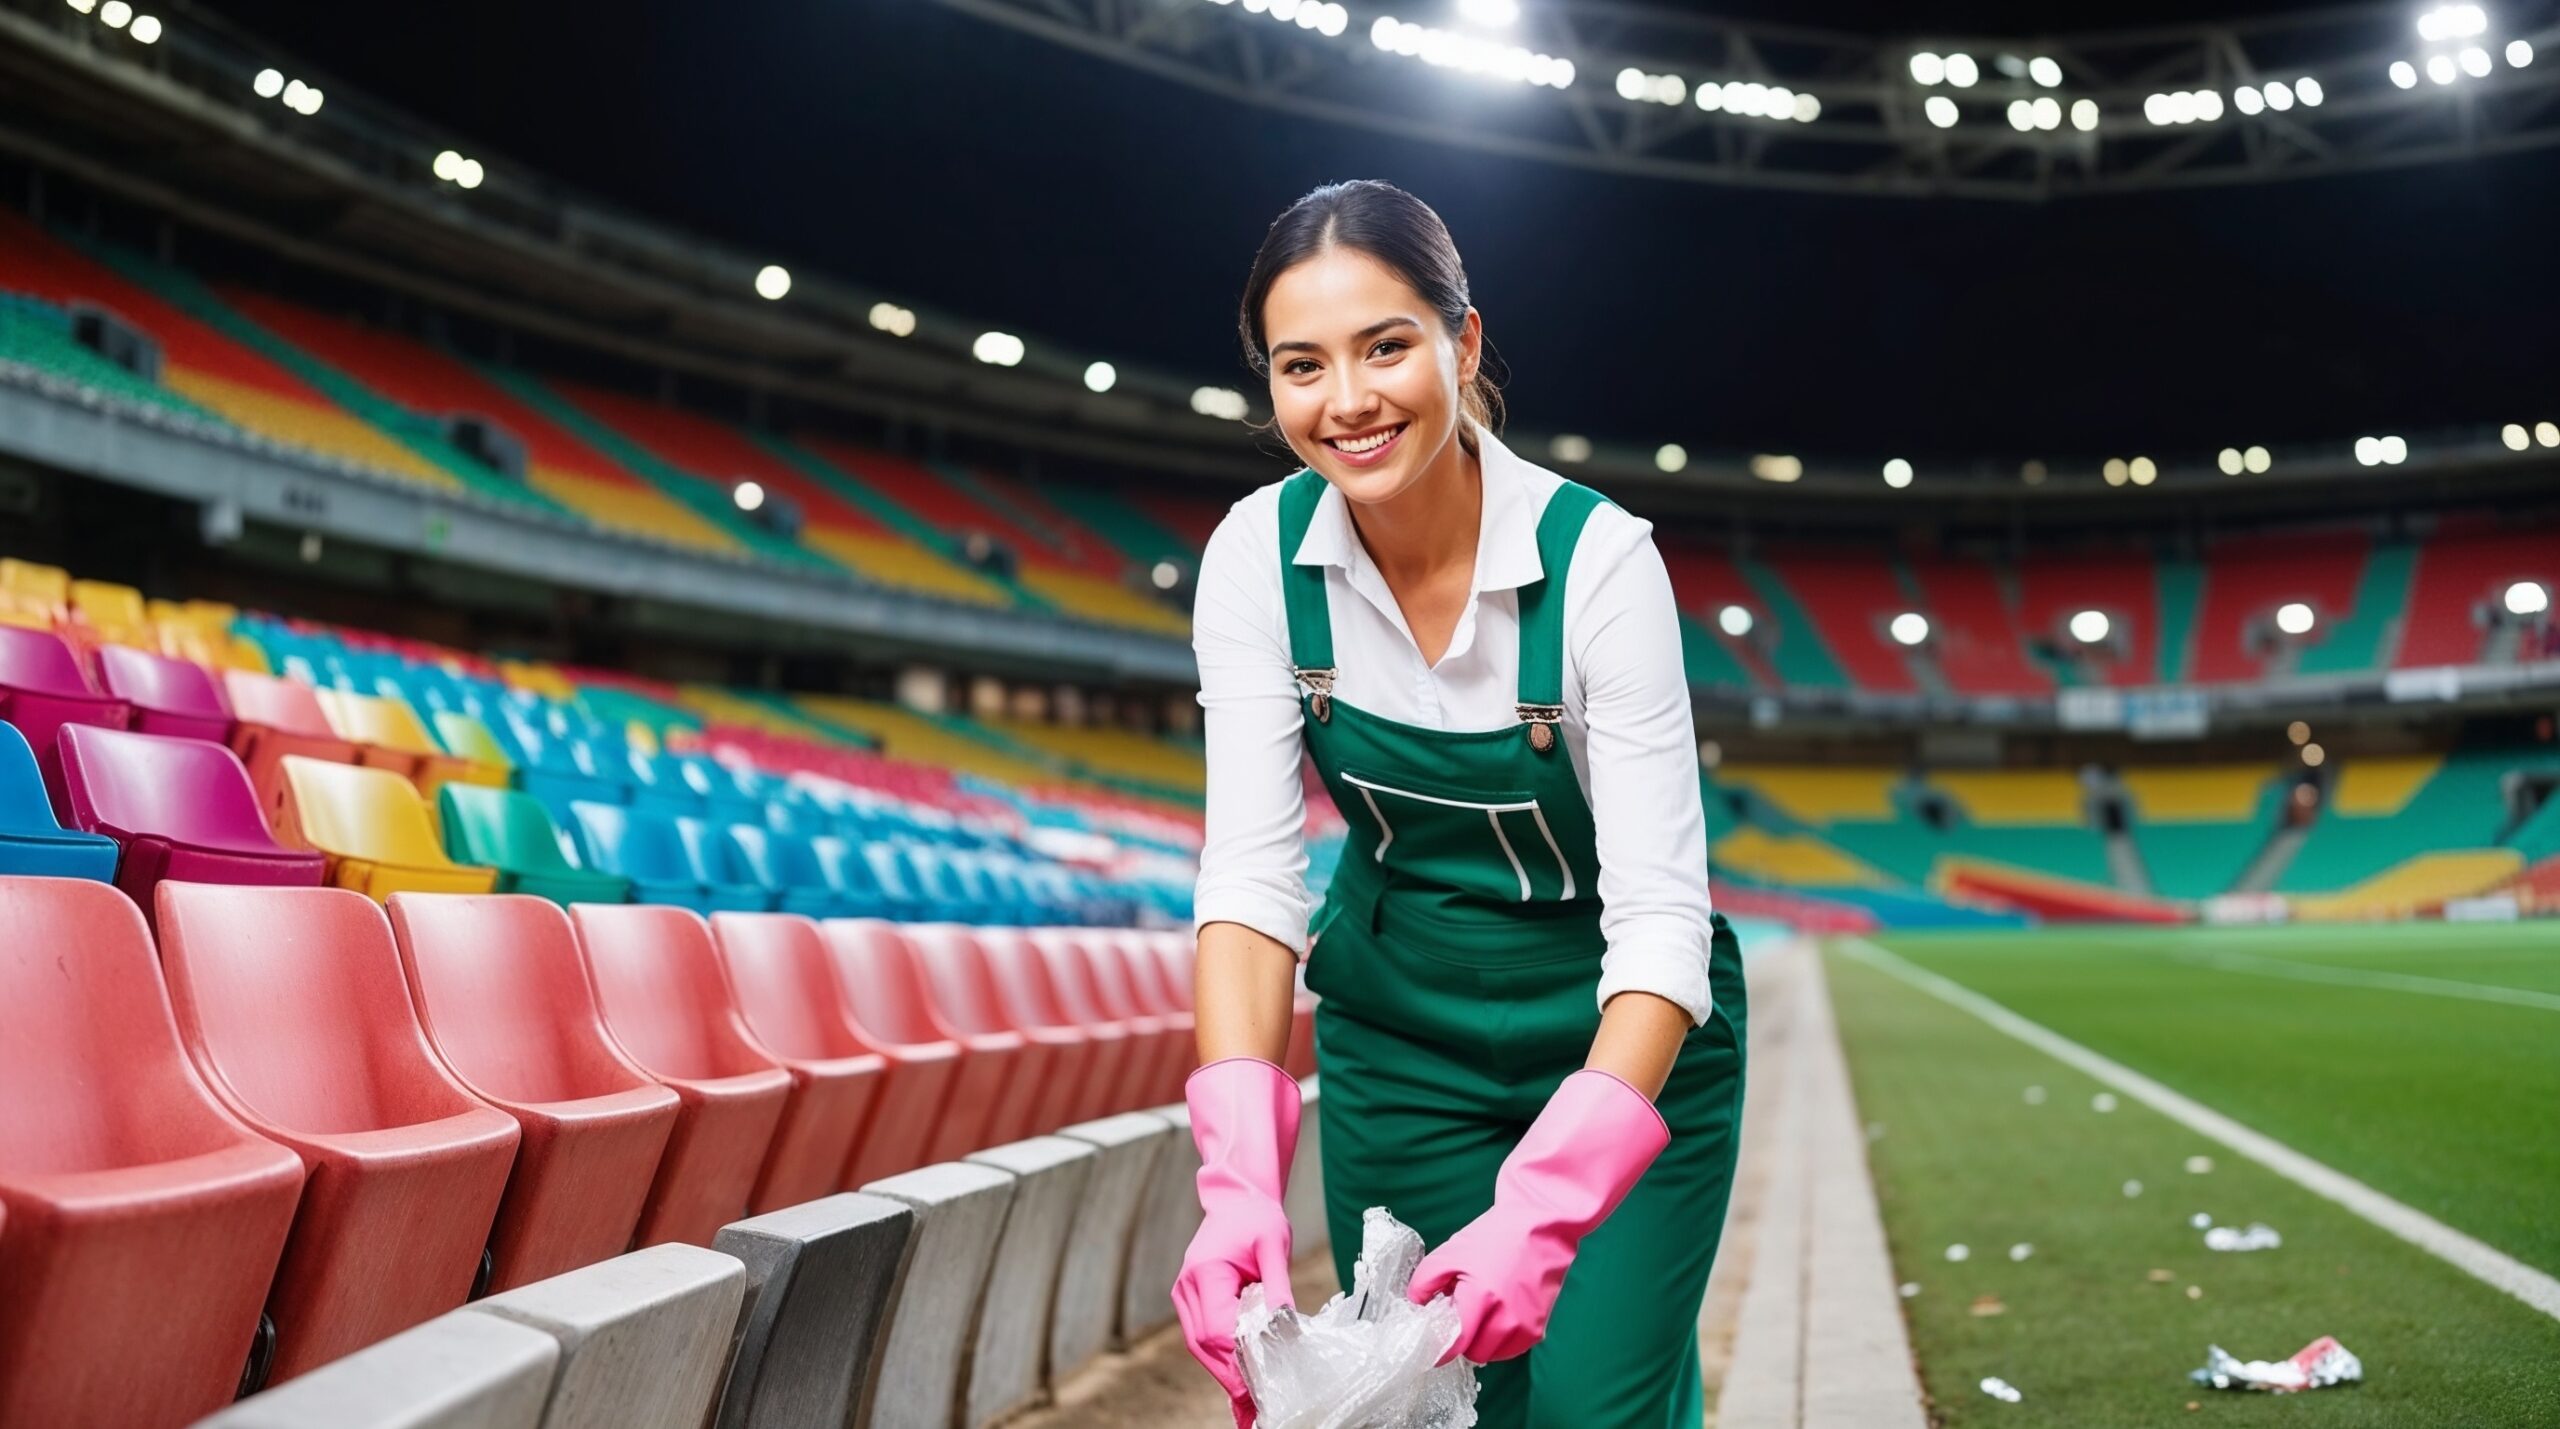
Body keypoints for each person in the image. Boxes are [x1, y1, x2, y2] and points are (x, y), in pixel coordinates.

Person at [1170, 179, 1747, 1429]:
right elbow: (1252, 884)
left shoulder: (1599, 561)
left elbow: (1663, 920)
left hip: (1623, 1051)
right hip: (1403, 1047)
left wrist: (1544, 1208)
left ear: (1463, 342)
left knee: (1594, 1412)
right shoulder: (1251, 559)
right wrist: (1238, 1188)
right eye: (1300, 365)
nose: (1348, 402)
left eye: (1386, 347)